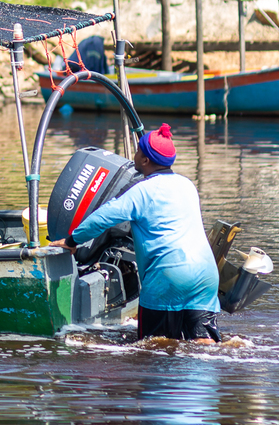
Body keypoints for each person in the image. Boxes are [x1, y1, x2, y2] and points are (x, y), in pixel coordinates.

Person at [53, 123, 221, 342]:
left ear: (145, 160)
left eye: (139, 150)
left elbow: (102, 218)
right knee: (205, 348)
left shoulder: (141, 191)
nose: (136, 153)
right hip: (206, 277)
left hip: (167, 278)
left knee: (153, 349)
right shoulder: (187, 185)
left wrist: (72, 240)